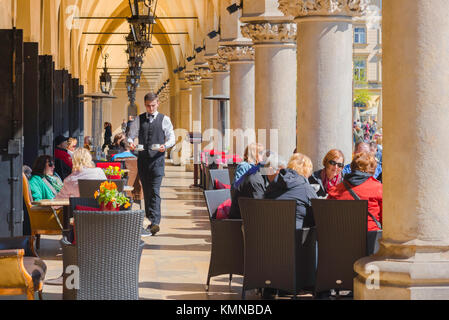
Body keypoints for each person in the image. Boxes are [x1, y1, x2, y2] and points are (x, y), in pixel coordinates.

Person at [127, 92, 175, 236]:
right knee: (146, 191)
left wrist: (165, 146)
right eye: (148, 106)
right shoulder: (138, 119)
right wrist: (130, 143)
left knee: (154, 190)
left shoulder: (164, 119)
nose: (151, 108)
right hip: (143, 160)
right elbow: (131, 136)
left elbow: (171, 137)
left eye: (153, 105)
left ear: (157, 103)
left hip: (157, 161)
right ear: (145, 105)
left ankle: (155, 222)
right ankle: (149, 219)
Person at [327, 152, 383, 231]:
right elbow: (386, 219)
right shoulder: (378, 188)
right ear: (373, 169)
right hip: (370, 239)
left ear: (352, 167)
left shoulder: (335, 190)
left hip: (341, 238)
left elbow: (327, 216)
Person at [265, 153, 318, 230]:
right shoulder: (306, 188)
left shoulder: (272, 185)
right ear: (307, 171)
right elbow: (318, 216)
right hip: (295, 238)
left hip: (268, 237)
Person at [229, 153, 286, 220]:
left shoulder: (265, 175)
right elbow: (260, 210)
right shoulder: (255, 181)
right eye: (281, 173)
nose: (283, 176)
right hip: (238, 223)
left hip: (252, 218)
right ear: (270, 170)